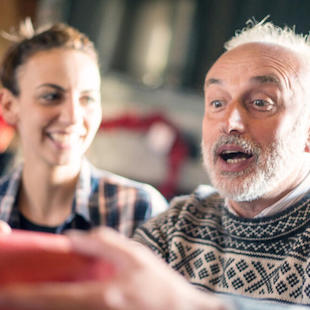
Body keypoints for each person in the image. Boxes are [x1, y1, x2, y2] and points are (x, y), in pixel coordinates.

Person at [1, 18, 310, 310]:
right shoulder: (174, 227)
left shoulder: (141, 207)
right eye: (217, 102)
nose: (231, 121)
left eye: (261, 102)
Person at [0, 20, 167, 236]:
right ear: (9, 106)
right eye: (51, 96)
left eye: (87, 99)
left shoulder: (140, 210)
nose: (72, 117)